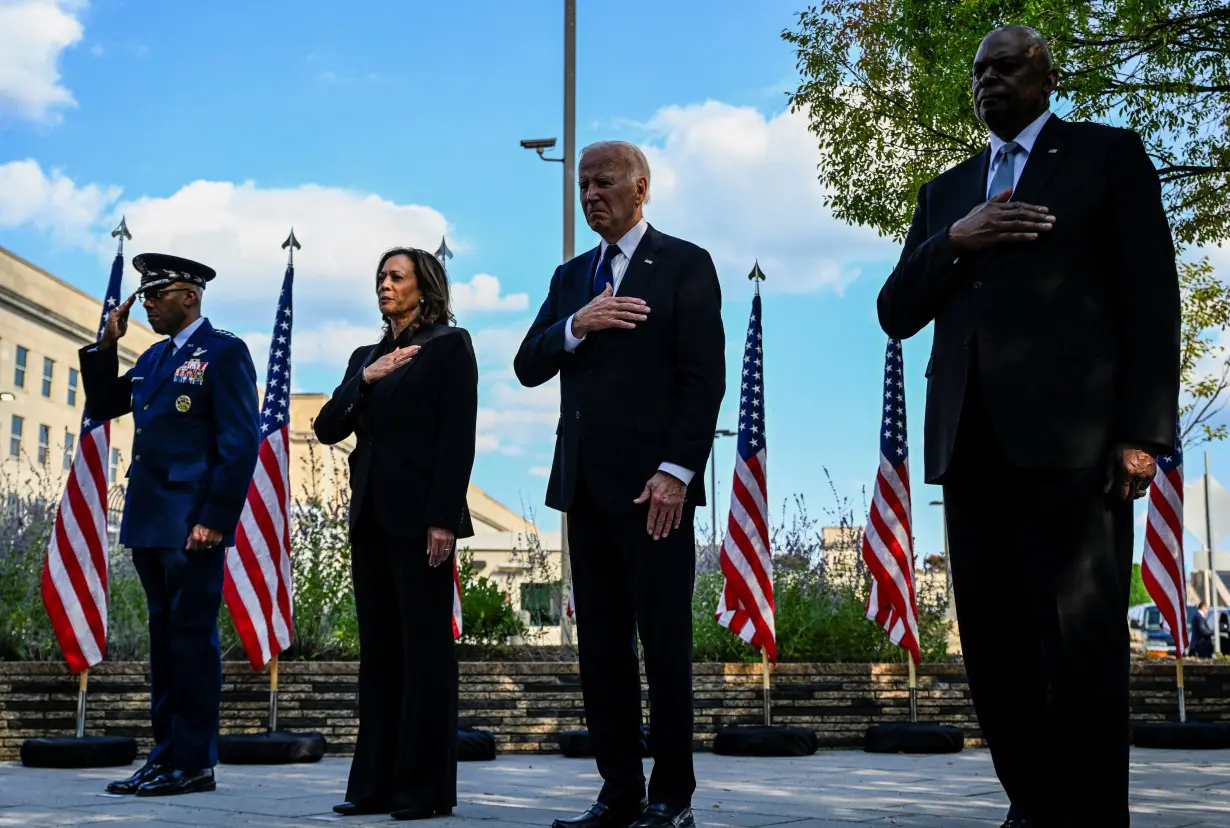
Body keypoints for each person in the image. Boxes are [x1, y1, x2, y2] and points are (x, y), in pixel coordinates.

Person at [877, 25, 1180, 828]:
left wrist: (1143, 432)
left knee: (1078, 644)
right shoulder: (948, 191)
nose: (987, 81)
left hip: (1078, 451)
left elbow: (1151, 298)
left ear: (1047, 76)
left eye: (1005, 66)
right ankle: (1032, 805)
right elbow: (896, 311)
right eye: (978, 72)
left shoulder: (1108, 158)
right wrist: (956, 240)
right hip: (971, 449)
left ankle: (1090, 814)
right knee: (994, 645)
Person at [515, 141, 725, 828]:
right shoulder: (572, 276)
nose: (589, 195)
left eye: (603, 182)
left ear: (641, 187)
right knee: (601, 650)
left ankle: (671, 796)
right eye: (582, 185)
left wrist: (675, 472)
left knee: (663, 647)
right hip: (585, 490)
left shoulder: (686, 265)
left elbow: (703, 381)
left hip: (654, 495)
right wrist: (577, 324)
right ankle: (618, 793)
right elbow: (526, 363)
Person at [82, 254, 260, 797]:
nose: (148, 304)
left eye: (157, 294)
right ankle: (165, 757)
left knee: (191, 643)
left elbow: (239, 442)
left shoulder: (224, 353)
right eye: (146, 295)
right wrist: (107, 346)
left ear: (190, 295)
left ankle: (193, 763)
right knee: (165, 645)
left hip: (192, 526)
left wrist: (214, 519)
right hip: (151, 521)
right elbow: (103, 402)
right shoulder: (155, 358)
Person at [314, 246, 478, 821]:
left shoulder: (448, 347)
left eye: (396, 277)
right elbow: (327, 427)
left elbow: (457, 439)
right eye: (381, 277)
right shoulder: (366, 355)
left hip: (421, 522)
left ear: (424, 288)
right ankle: (373, 788)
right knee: (379, 657)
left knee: (424, 655)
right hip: (370, 522)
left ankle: (422, 792)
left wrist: (443, 519)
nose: (385, 285)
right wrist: (364, 379)